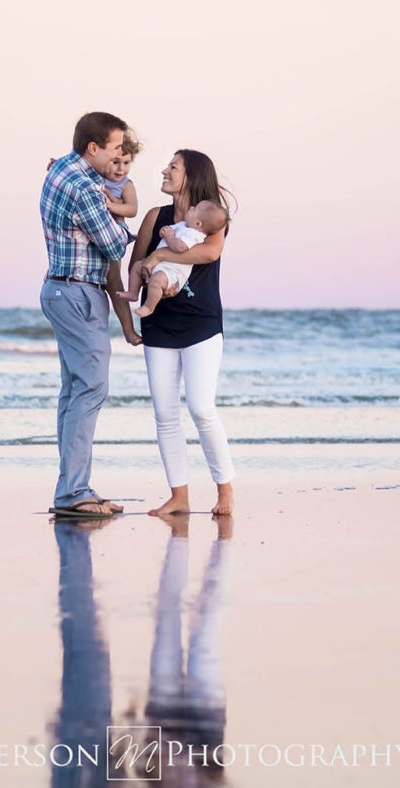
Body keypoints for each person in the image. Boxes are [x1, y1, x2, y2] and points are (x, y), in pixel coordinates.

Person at [39, 111, 139, 518]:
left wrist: (109, 195)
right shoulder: (85, 188)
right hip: (79, 292)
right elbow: (116, 246)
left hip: (61, 289)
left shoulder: (62, 169)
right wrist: (128, 218)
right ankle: (73, 492)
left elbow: (102, 192)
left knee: (74, 391)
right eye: (116, 149)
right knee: (92, 388)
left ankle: (72, 489)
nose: (121, 157)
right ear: (93, 148)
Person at [127, 150, 236, 516]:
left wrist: (162, 257)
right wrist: (150, 268)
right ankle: (180, 497)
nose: (164, 170)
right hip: (159, 323)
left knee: (202, 408)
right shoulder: (155, 217)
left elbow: (208, 254)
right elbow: (137, 263)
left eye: (172, 167)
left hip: (201, 323)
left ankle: (225, 494)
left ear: (191, 176)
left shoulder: (212, 217)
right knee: (164, 413)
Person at [115, 200, 229, 319]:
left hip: (173, 272)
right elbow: (170, 229)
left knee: (157, 281)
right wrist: (164, 230)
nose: (191, 207)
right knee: (137, 266)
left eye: (194, 209)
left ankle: (149, 307)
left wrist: (169, 236)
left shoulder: (194, 235)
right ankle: (133, 293)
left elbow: (180, 247)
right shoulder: (183, 225)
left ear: (198, 223)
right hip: (159, 265)